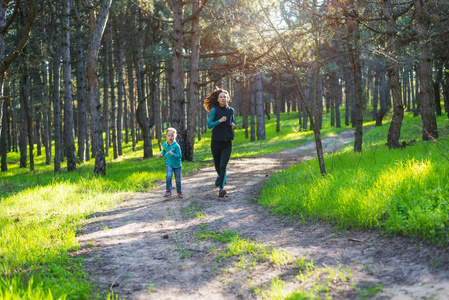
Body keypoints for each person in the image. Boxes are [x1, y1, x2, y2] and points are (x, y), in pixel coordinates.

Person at [203, 87, 236, 197]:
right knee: (217, 166)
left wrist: (233, 124)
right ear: (217, 99)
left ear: (227, 98)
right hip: (216, 142)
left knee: (223, 165)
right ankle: (219, 177)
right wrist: (219, 121)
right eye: (221, 97)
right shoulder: (214, 110)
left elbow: (233, 120)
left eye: (224, 97)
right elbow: (209, 125)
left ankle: (221, 188)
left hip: (227, 142)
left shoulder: (231, 110)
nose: (223, 98)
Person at [158, 127, 183, 198]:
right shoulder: (165, 144)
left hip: (177, 164)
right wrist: (161, 154)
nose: (170, 137)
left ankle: (179, 191)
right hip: (169, 164)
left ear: (175, 137)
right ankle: (168, 191)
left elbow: (179, 156)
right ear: (166, 136)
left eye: (172, 136)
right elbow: (164, 150)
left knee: (177, 179)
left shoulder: (176, 146)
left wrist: (173, 154)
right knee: (168, 176)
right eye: (169, 136)